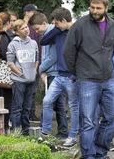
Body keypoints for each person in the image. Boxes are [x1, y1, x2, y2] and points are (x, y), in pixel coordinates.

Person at [63, 0, 114, 159]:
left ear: (106, 8)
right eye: (92, 7)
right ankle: (88, 155)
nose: (95, 11)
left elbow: (112, 48)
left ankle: (101, 153)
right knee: (88, 122)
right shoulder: (80, 25)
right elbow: (68, 52)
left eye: (98, 8)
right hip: (87, 80)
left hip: (109, 79)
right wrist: (78, 72)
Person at [39, 8, 80, 147]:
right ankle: (45, 133)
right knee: (47, 101)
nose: (55, 25)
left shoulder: (77, 31)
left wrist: (75, 75)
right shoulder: (58, 32)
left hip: (71, 77)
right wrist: (58, 29)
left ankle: (73, 135)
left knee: (74, 107)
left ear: (63, 20)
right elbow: (43, 41)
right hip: (59, 75)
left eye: (57, 23)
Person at [31, 11, 69, 140]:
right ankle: (60, 131)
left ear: (44, 23)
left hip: (55, 73)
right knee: (57, 103)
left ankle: (52, 131)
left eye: (37, 28)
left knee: (54, 103)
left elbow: (53, 56)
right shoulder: (49, 33)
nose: (36, 32)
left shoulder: (53, 32)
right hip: (51, 72)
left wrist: (40, 69)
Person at [7, 19, 39, 135]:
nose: (26, 30)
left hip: (31, 80)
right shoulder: (13, 45)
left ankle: (26, 132)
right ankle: (16, 132)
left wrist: (34, 71)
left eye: (26, 27)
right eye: (22, 28)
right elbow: (10, 63)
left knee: (27, 108)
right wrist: (20, 73)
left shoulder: (34, 43)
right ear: (16, 32)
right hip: (19, 81)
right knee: (17, 107)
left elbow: (36, 59)